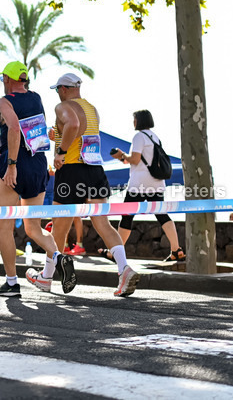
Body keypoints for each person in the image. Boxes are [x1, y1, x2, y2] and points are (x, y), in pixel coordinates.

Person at [43, 73, 138, 297]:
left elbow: (74, 124)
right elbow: (81, 130)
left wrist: (60, 152)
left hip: (72, 170)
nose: (57, 94)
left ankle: (46, 276)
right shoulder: (92, 109)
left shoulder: (62, 106)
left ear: (64, 89)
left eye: (57, 89)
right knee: (103, 223)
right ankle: (124, 269)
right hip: (95, 170)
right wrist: (56, 135)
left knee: (60, 226)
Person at [0, 62, 62, 297]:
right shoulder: (36, 98)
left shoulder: (4, 101)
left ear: (7, 78)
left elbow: (15, 128)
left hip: (13, 166)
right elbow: (32, 129)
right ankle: (58, 257)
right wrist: (3, 145)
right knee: (33, 227)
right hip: (37, 163)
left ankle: (12, 283)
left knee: (4, 226)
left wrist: (11, 163)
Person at [107, 110, 185, 262]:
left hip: (139, 184)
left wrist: (122, 155)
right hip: (156, 183)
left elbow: (135, 160)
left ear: (139, 120)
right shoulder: (155, 137)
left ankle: (115, 252)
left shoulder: (139, 137)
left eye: (134, 119)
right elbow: (142, 160)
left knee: (127, 216)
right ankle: (176, 249)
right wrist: (124, 158)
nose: (133, 122)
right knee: (162, 214)